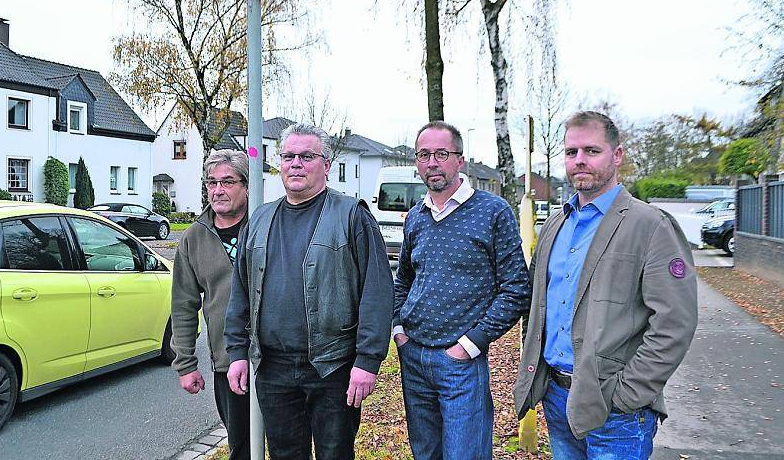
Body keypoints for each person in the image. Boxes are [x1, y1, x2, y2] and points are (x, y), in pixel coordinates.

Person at [513, 111, 698, 459]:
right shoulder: (556, 225)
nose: (579, 160)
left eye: (591, 150)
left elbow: (675, 322)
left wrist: (627, 394)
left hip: (617, 412)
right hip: (557, 397)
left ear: (617, 156)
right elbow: (538, 307)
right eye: (571, 152)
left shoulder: (651, 226)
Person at [224, 122, 393, 460]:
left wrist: (368, 360)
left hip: (333, 367)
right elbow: (241, 292)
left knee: (335, 453)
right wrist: (237, 353)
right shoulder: (259, 219)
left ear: (326, 165)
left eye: (306, 156)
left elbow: (377, 292)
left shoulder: (351, 215)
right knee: (285, 454)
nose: (296, 163)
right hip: (273, 369)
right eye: (288, 156)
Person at [394, 121, 531, 460]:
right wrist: (399, 330)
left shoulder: (492, 212)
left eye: (442, 153)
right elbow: (404, 280)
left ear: (460, 160)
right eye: (424, 154)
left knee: (464, 455)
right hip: (413, 357)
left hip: (461, 363)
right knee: (426, 453)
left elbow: (516, 289)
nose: (432, 162)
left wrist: (470, 345)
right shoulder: (416, 217)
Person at [171, 149, 251, 460]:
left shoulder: (266, 225)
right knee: (241, 447)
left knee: (288, 443)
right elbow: (183, 305)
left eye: (227, 182)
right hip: (228, 362)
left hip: (278, 360)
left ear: (246, 185)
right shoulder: (193, 238)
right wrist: (186, 364)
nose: (218, 190)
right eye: (211, 183)